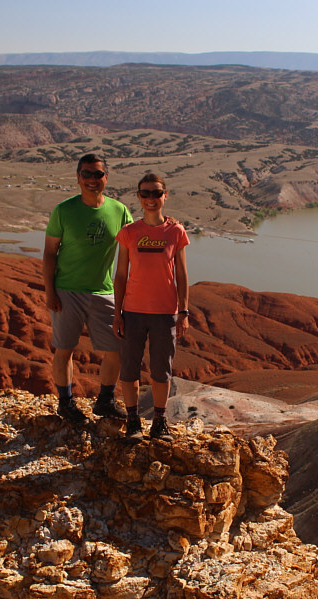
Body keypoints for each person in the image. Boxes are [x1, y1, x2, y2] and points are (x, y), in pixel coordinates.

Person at [43, 154, 133, 424]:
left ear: (106, 177)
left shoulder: (119, 210)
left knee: (116, 349)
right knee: (65, 349)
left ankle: (105, 401)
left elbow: (136, 242)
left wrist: (166, 223)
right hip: (67, 289)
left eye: (98, 174)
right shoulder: (64, 210)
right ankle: (66, 403)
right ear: (78, 177)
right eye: (87, 174)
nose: (92, 180)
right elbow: (49, 253)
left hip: (103, 291)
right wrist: (50, 291)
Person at [113, 173, 190, 442]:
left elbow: (181, 274)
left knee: (161, 371)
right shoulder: (129, 233)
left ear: (164, 196)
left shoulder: (176, 232)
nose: (150, 199)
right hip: (132, 311)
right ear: (139, 197)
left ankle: (159, 422)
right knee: (129, 370)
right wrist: (117, 313)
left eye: (156, 193)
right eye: (145, 194)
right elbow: (120, 275)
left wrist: (184, 312)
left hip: (165, 313)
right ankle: (133, 421)